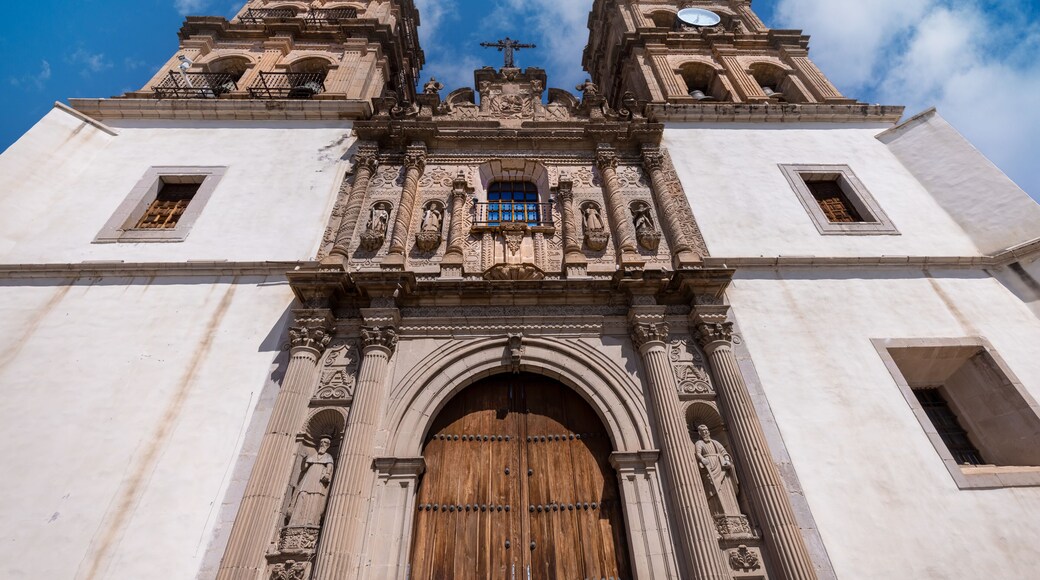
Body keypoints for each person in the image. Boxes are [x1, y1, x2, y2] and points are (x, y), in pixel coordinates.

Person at [287, 436, 335, 527]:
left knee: (315, 497)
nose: (322, 444)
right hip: (309, 477)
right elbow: (304, 468)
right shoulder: (313, 456)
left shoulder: (328, 457)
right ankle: (295, 520)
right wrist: (304, 459)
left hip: (318, 479)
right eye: (321, 442)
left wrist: (327, 474)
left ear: (328, 445)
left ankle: (311, 521)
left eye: (325, 442)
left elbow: (329, 468)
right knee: (302, 494)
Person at [694, 425, 741, 516]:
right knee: (712, 486)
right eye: (703, 431)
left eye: (707, 430)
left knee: (726, 487)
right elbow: (698, 454)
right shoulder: (699, 443)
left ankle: (732, 511)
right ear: (700, 433)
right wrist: (702, 459)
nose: (705, 432)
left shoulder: (715, 442)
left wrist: (727, 460)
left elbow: (724, 452)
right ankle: (717, 512)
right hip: (709, 467)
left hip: (721, 466)